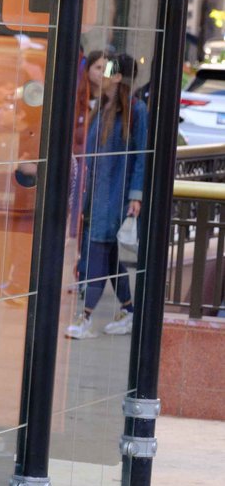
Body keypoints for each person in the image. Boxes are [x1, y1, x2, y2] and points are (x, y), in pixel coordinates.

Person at [70, 57, 146, 338]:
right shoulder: (102, 107)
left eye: (107, 70)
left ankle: (85, 317)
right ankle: (128, 310)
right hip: (98, 195)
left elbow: (142, 157)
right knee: (111, 257)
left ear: (118, 77)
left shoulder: (136, 110)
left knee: (97, 254)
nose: (100, 74)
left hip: (116, 197)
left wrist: (135, 195)